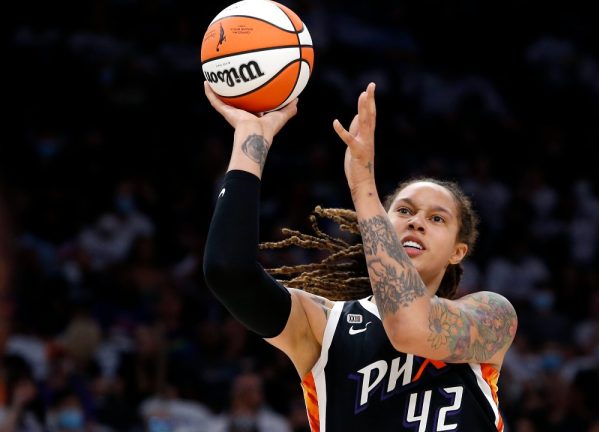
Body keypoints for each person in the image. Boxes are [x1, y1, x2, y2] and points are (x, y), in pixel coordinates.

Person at [202, 81, 519, 431]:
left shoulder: (491, 316)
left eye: (436, 218)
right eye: (404, 211)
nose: (416, 222)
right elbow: (228, 271)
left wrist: (363, 186)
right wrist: (252, 137)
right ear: (382, 226)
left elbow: (409, 326)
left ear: (458, 252)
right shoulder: (326, 326)